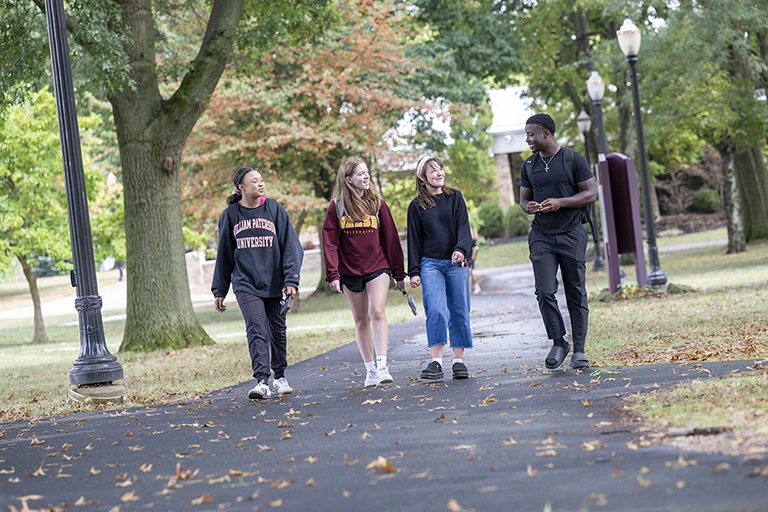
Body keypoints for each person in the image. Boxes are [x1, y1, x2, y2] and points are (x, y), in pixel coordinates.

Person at [211, 167, 304, 399]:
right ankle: (261, 381)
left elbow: (291, 246)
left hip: (276, 282)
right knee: (256, 329)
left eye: (261, 180)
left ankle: (279, 375)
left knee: (277, 330)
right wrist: (219, 290)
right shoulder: (231, 215)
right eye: (254, 181)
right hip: (245, 283)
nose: (260, 184)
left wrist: (291, 279)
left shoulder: (274, 209)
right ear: (242, 187)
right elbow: (224, 254)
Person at [519, 113, 596, 370]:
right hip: (542, 235)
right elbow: (523, 200)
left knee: (576, 291)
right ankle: (558, 341)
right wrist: (528, 207)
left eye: (531, 134)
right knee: (544, 290)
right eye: (527, 134)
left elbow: (590, 193)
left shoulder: (573, 159)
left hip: (571, 233)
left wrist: (561, 202)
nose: (528, 138)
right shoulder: (529, 165)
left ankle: (580, 350)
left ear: (546, 134)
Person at [322, 156, 406, 387]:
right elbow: (329, 242)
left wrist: (399, 273)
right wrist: (333, 274)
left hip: (377, 266)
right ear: (348, 179)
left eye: (367, 172)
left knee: (377, 311)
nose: (366, 176)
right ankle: (370, 370)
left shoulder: (377, 204)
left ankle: (383, 366)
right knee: (360, 321)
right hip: (350, 270)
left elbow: (391, 239)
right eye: (360, 174)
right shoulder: (336, 207)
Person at [407, 156, 473, 382]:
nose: (439, 173)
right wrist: (414, 271)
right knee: (435, 309)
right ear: (422, 177)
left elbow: (464, 227)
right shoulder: (416, 206)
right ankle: (436, 362)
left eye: (440, 169)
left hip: (456, 262)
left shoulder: (455, 197)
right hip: (430, 263)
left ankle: (458, 361)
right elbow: (414, 240)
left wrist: (461, 249)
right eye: (432, 171)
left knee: (459, 310)